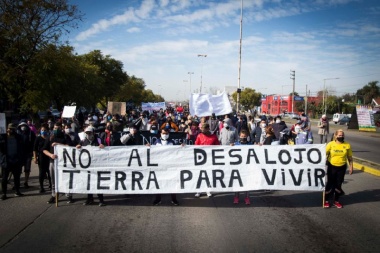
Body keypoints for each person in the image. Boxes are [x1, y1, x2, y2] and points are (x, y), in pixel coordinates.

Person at [76, 126, 107, 207]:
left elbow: (106, 148)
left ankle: (101, 200)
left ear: (93, 133)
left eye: (89, 133)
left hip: (97, 165)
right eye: (87, 133)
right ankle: (90, 199)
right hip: (87, 166)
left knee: (97, 183)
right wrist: (78, 146)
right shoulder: (83, 141)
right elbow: (78, 148)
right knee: (88, 183)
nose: (88, 134)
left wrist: (103, 146)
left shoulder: (99, 140)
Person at [324, 129, 353, 208]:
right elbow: (323, 154)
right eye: (339, 135)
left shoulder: (347, 145)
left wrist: (351, 167)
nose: (341, 136)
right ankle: (326, 200)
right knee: (330, 183)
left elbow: (349, 157)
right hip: (332, 166)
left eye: (342, 135)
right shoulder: (330, 144)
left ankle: (336, 201)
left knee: (338, 184)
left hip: (342, 167)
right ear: (335, 136)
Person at [150, 128, 180, 206]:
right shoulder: (156, 142)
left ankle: (174, 199)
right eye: (163, 133)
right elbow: (152, 151)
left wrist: (182, 146)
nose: (165, 135)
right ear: (160, 133)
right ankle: (158, 199)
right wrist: (148, 146)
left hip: (170, 166)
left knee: (172, 183)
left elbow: (177, 151)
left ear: (168, 134)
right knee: (158, 182)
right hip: (159, 166)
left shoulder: (172, 142)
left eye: (166, 134)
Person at [43, 122, 68, 204]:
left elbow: (70, 147)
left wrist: (59, 144)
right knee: (53, 180)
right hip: (53, 162)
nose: (55, 130)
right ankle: (54, 195)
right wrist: (50, 155)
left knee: (65, 179)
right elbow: (44, 149)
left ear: (61, 128)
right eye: (54, 128)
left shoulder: (65, 137)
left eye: (57, 128)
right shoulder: (50, 138)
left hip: (64, 162)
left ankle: (68, 194)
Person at [194, 123, 220, 198]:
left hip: (210, 159)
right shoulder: (199, 136)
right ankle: (198, 190)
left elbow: (218, 147)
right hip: (201, 159)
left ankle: (208, 189)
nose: (202, 130)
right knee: (200, 174)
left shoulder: (214, 137)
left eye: (204, 128)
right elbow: (195, 146)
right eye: (201, 128)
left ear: (208, 128)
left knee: (208, 174)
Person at [0, 123, 25, 200]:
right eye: (10, 129)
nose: (12, 130)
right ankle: (4, 193)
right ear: (7, 129)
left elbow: (21, 148)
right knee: (4, 178)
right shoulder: (3, 137)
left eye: (13, 129)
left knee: (17, 177)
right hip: (6, 161)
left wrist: (21, 159)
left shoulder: (18, 137)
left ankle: (17, 191)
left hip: (16, 160)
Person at [233, 129, 251, 205]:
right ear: (239, 136)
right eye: (242, 136)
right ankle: (236, 197)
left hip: (247, 167)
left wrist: (259, 146)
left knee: (247, 183)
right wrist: (231, 147)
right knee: (237, 183)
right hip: (238, 167)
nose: (243, 137)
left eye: (244, 136)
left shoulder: (250, 145)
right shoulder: (236, 144)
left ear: (247, 137)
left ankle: (247, 197)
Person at [33, 124, 52, 193]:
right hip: (41, 157)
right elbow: (35, 149)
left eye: (45, 130)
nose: (43, 131)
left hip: (49, 157)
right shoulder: (38, 138)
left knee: (50, 172)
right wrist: (35, 157)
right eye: (42, 130)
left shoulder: (49, 138)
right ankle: (41, 187)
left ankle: (51, 185)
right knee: (42, 173)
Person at [17, 121, 36, 188]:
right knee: (18, 169)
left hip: (28, 154)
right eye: (22, 125)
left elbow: (34, 144)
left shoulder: (31, 133)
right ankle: (17, 182)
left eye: (24, 125)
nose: (23, 127)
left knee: (27, 169)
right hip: (19, 154)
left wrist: (34, 154)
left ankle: (26, 182)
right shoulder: (17, 133)